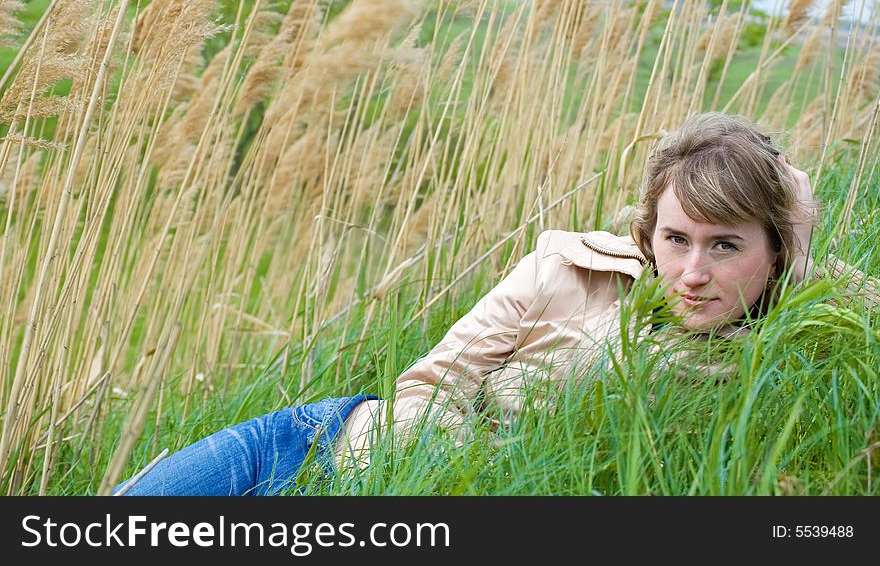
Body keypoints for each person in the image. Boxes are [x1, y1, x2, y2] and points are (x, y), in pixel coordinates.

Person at [112, 112, 878, 495]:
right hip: (323, 443)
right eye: (676, 238)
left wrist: (798, 231)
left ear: (775, 251)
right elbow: (426, 384)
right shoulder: (564, 267)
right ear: (649, 232)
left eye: (725, 246)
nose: (691, 272)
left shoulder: (795, 334)